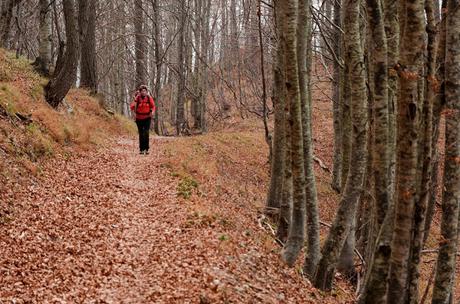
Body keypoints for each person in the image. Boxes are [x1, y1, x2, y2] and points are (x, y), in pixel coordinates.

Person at [130, 85, 156, 155]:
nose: (144, 92)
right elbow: (132, 107)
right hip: (139, 118)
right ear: (140, 92)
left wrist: (152, 112)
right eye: (142, 91)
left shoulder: (149, 98)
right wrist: (135, 100)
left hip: (147, 117)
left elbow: (153, 106)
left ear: (146, 91)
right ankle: (141, 149)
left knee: (146, 133)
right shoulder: (137, 98)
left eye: (145, 91)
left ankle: (146, 149)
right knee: (141, 133)